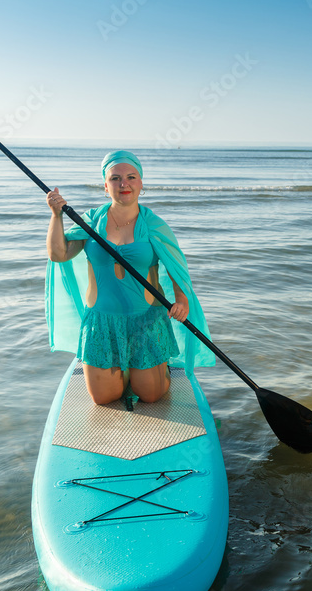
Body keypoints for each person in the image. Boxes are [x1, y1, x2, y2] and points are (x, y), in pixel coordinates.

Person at [44, 150, 213, 405]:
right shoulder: (91, 221)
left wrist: (182, 300)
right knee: (104, 398)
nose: (124, 183)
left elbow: (176, 266)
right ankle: (124, 370)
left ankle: (152, 367)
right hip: (101, 322)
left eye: (131, 177)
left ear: (141, 184)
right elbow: (58, 254)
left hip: (145, 322)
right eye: (115, 178)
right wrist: (56, 216)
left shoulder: (153, 224)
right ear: (105, 185)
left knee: (151, 396)